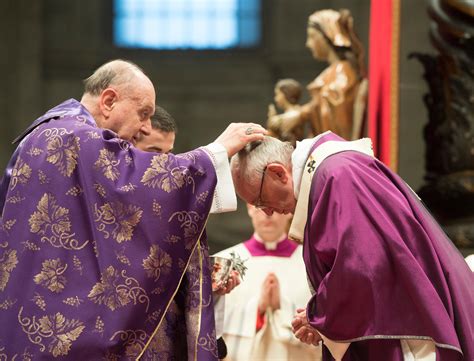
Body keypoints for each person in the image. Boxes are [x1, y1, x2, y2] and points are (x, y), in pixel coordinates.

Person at [0, 59, 266, 360]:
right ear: (109, 100)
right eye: (144, 113)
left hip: (23, 327)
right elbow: (144, 187)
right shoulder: (78, 138)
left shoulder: (37, 137)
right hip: (69, 340)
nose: (146, 127)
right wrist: (216, 151)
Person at [230, 132, 474, 360]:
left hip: (409, 323)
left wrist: (320, 317)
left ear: (278, 173)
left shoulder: (337, 175)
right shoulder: (332, 173)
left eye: (261, 201)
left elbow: (364, 264)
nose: (268, 212)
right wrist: (321, 317)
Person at [215, 204, 322, 360]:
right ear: (250, 208)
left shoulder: (312, 264)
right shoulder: (225, 262)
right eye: (260, 207)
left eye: (275, 207)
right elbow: (214, 327)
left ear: (289, 211)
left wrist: (281, 304)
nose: (267, 215)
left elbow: (324, 325)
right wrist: (259, 309)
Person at [299, 9, 367, 140]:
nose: (308, 44)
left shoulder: (344, 72)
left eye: (312, 36)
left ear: (327, 36)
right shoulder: (331, 72)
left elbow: (336, 109)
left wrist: (301, 115)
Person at [266, 78, 306, 145]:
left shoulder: (296, 112)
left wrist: (274, 120)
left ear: (285, 94)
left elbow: (293, 116)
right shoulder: (294, 112)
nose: (275, 99)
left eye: (277, 94)